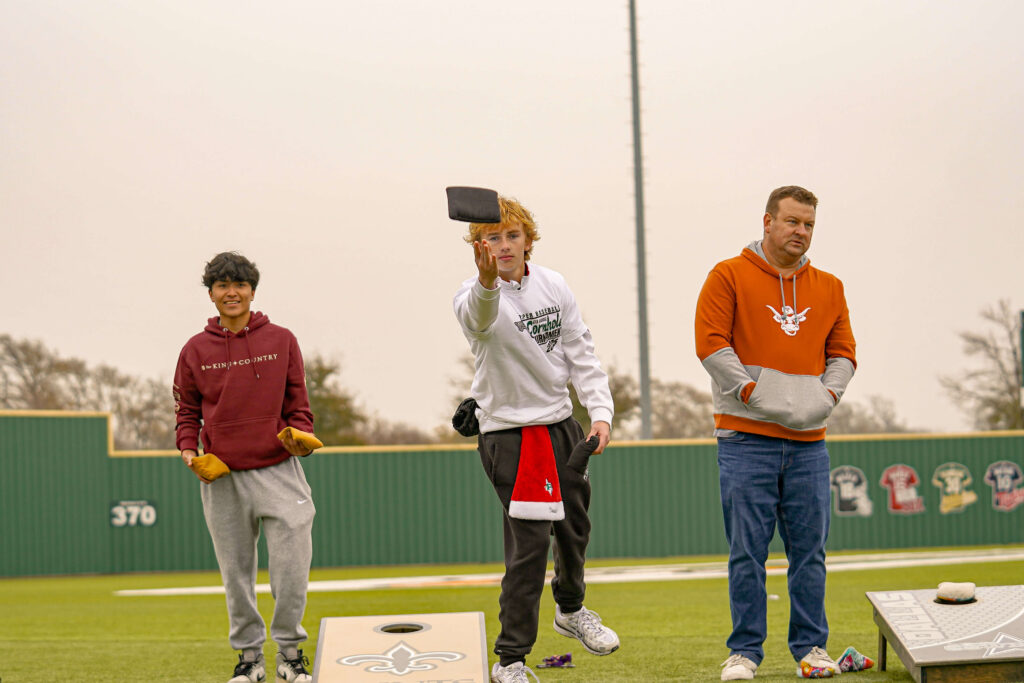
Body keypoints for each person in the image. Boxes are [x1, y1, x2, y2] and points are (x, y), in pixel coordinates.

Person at [453, 196, 620, 683]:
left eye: (512, 235)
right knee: (529, 547)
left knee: (574, 530)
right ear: (479, 246)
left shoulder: (554, 285)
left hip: (561, 427)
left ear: (528, 240)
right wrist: (486, 282)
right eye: (493, 238)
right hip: (508, 435)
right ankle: (510, 661)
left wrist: (601, 413)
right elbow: (480, 320)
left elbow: (581, 353)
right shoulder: (471, 295)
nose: (504, 246)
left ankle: (571, 610)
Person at [695, 186, 856, 680]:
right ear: (768, 222)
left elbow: (843, 353)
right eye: (792, 222)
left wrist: (827, 397)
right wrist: (749, 392)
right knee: (748, 553)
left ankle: (812, 649)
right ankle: (745, 652)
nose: (800, 232)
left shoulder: (830, 286)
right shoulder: (728, 275)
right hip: (745, 441)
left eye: (809, 225)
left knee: (810, 554)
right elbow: (710, 344)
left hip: (809, 444)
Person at [174, 251, 318, 683]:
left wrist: (300, 434)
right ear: (211, 294)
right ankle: (250, 660)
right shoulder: (194, 350)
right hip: (222, 475)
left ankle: (290, 655)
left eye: (239, 285)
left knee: (291, 570)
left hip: (278, 469)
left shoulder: (282, 339)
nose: (231, 292)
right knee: (235, 576)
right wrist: (187, 450)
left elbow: (298, 402)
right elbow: (186, 411)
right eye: (222, 285)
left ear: (252, 291)